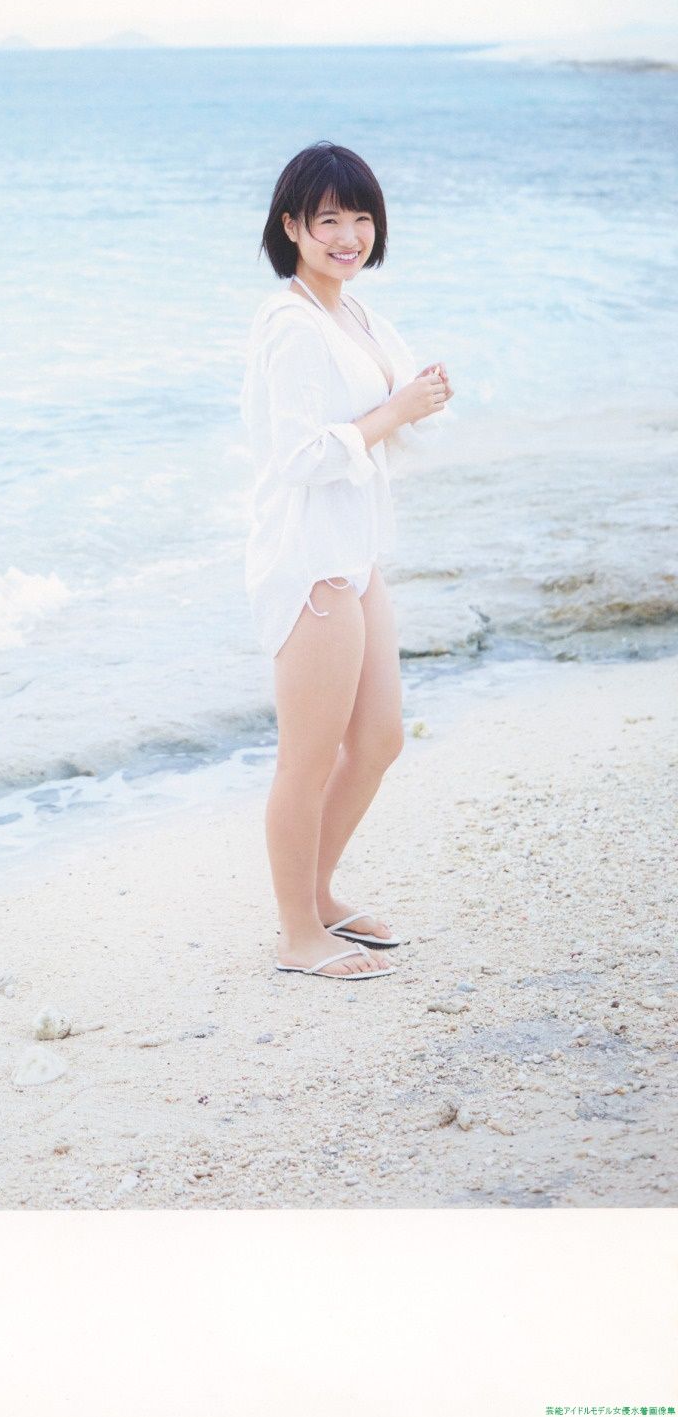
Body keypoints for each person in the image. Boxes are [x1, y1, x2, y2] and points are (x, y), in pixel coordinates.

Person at [239, 141, 454, 980]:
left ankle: (319, 893)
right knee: (307, 754)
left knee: (378, 738)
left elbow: (395, 413)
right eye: (328, 219)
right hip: (309, 560)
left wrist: (419, 399)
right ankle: (298, 934)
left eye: (361, 218)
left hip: (356, 551)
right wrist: (395, 410)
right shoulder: (291, 324)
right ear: (292, 225)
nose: (349, 235)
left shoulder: (354, 313)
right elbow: (300, 456)